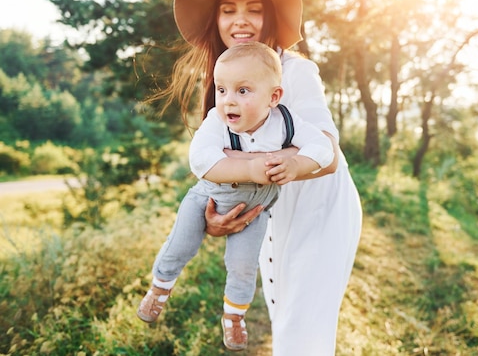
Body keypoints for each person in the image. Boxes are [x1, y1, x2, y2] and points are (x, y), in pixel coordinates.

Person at [168, 0, 362, 355]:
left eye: (253, 10)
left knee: (301, 335)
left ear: (269, 19)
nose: (240, 19)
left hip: (317, 209)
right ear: (216, 21)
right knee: (284, 317)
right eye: (228, 10)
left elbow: (329, 155)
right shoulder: (225, 83)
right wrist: (215, 217)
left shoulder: (295, 72)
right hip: (271, 214)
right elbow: (218, 165)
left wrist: (266, 165)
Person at [137, 42, 334, 351]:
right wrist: (250, 169)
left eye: (243, 91)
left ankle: (234, 317)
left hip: (255, 210)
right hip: (206, 199)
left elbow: (324, 149)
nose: (229, 100)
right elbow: (201, 161)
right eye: (222, 90)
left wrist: (296, 164)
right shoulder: (217, 121)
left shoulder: (287, 123)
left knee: (243, 265)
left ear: (274, 97)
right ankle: (159, 289)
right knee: (180, 246)